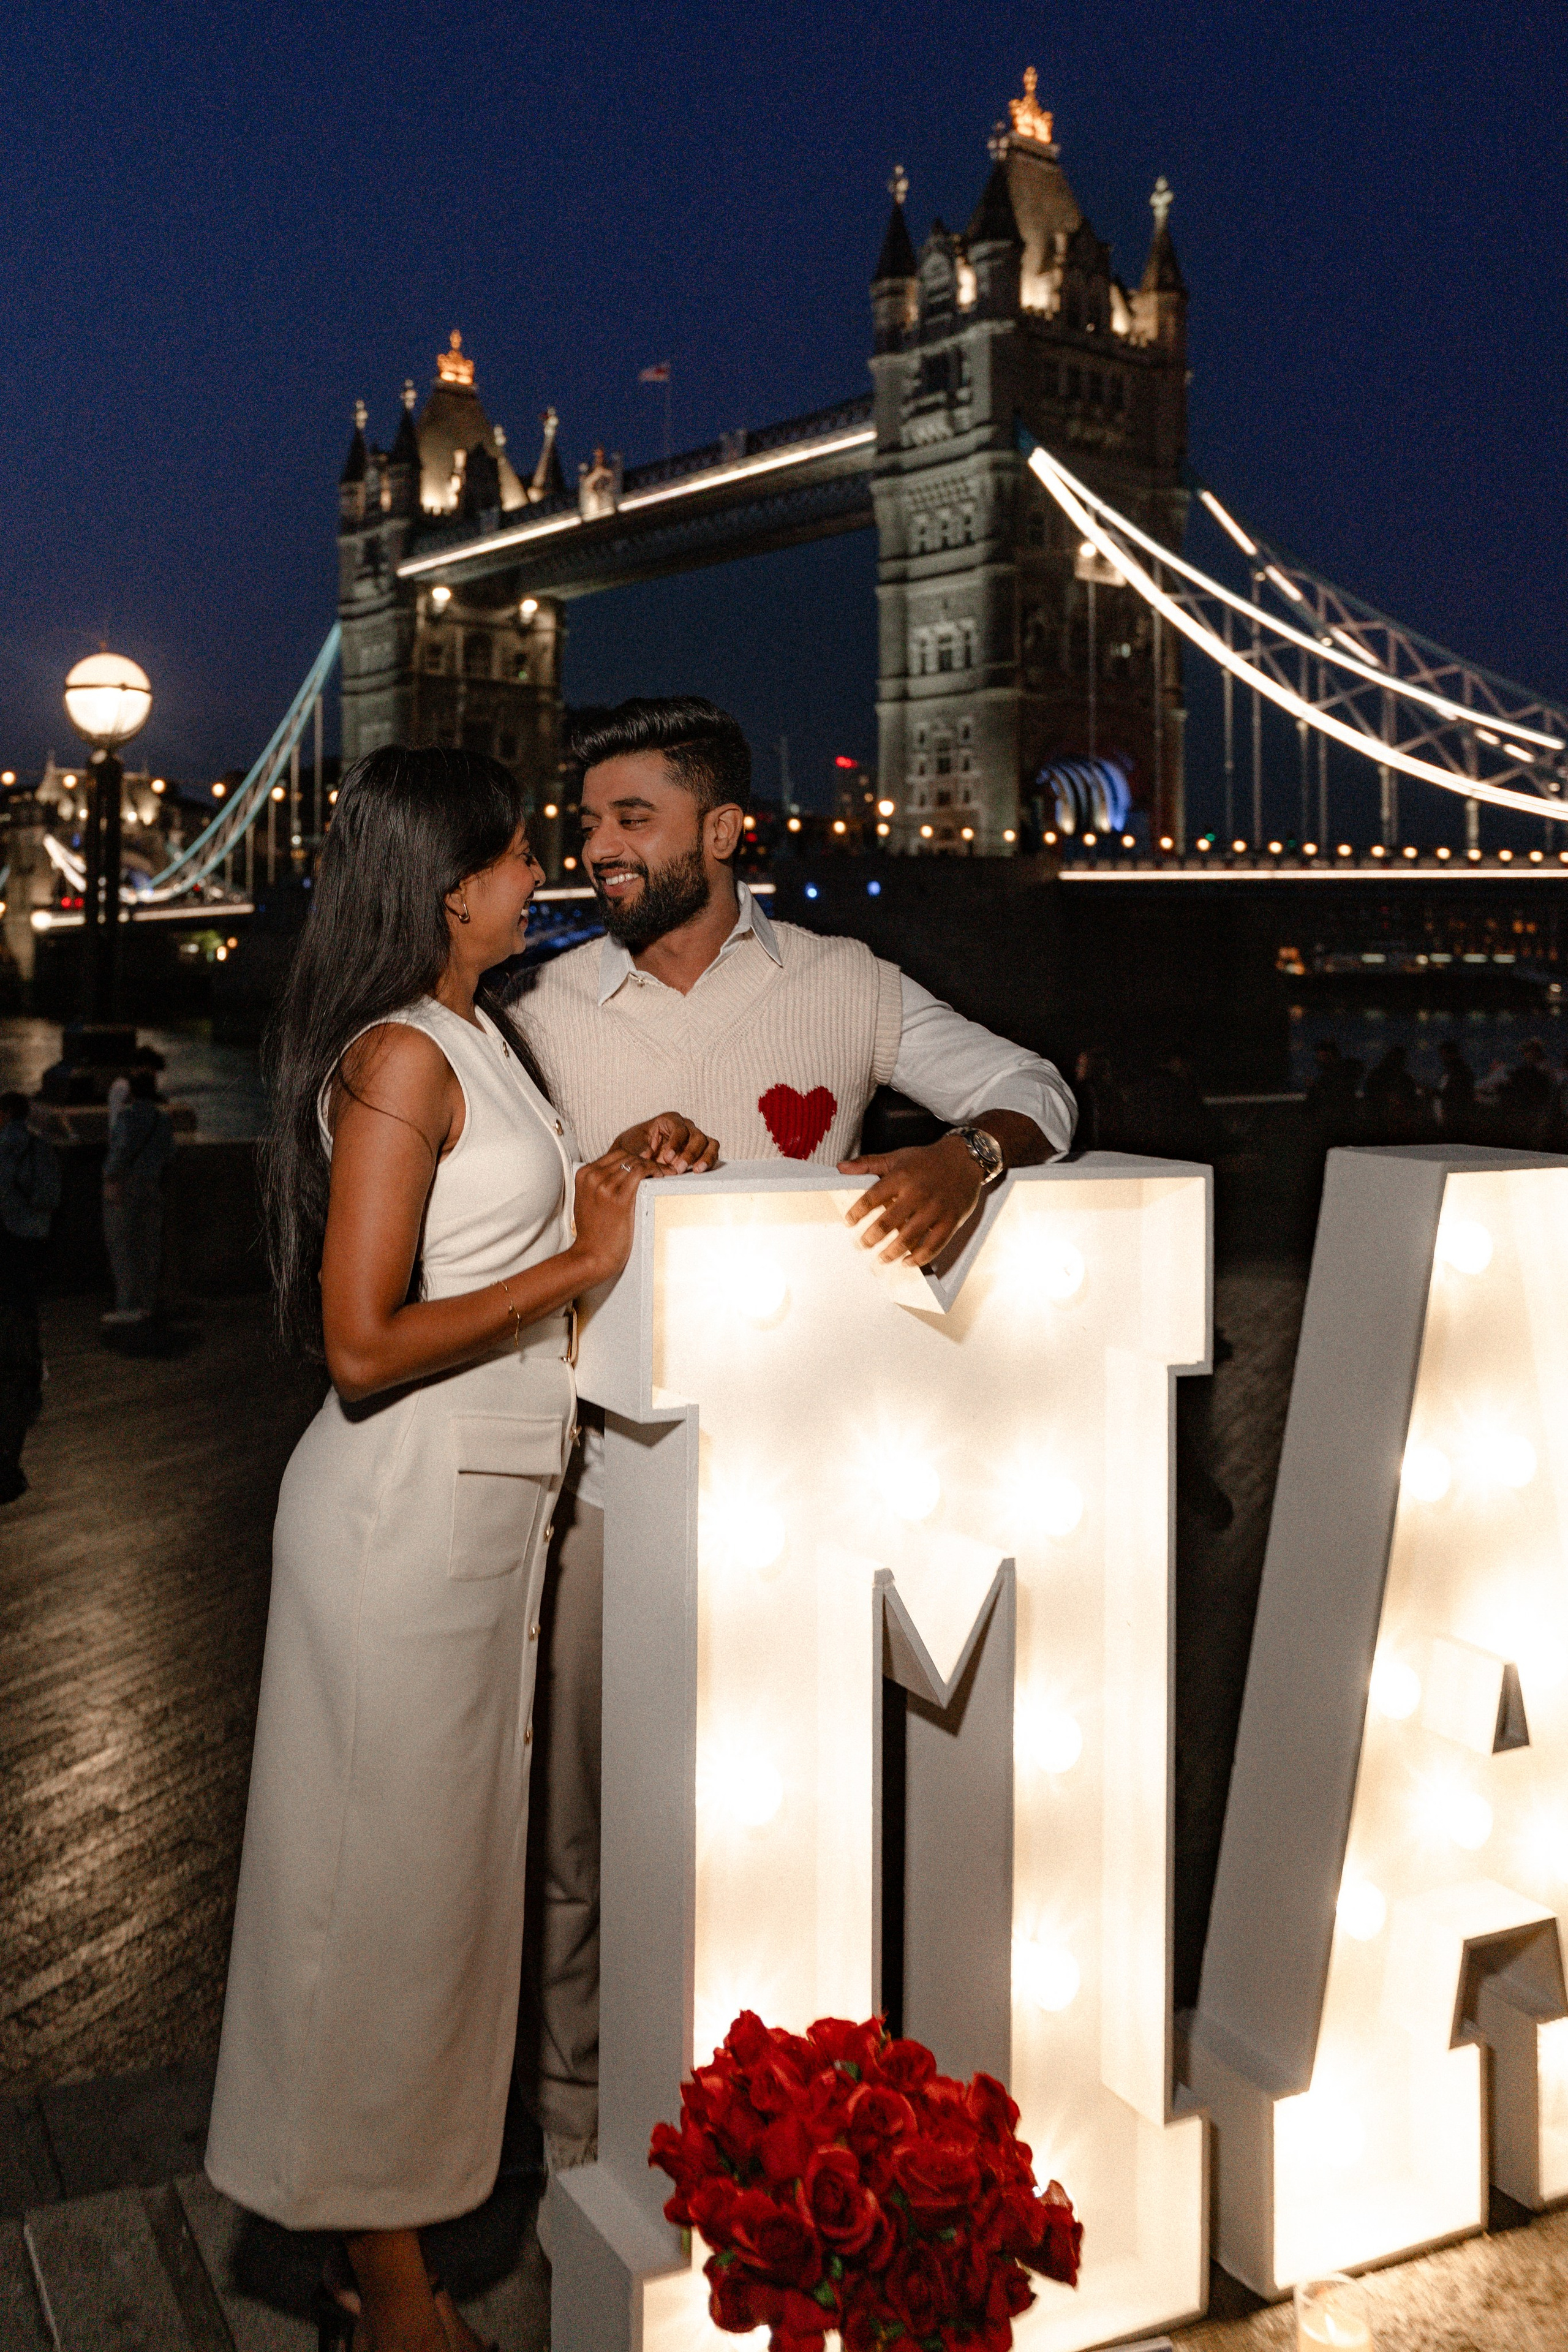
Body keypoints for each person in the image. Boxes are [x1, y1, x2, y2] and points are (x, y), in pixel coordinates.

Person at [507, 695, 1075, 2173]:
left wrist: (966, 1157)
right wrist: (595, 1189)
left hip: (800, 1496)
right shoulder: (539, 1013)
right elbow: (488, 1240)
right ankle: (580, 2147)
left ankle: (761, 2136)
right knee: (574, 1840)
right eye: (586, 825)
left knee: (794, 1833)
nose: (597, 851)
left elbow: (1037, 1090)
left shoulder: (847, 984)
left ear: (724, 830)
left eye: (631, 819)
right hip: (595, 1487)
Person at [204, 747, 716, 2352]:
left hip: (481, 1516)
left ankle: (383, 2233)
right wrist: (581, 1256)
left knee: (441, 1906)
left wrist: (613, 1175)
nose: (540, 874)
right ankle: (394, 2285)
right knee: (386, 1909)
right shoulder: (402, 1058)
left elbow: (497, 1243)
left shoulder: (479, 1041)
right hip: (400, 1518)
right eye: (514, 858)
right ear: (448, 885)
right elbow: (361, 1341)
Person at [0, 1091, 61, 1504]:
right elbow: (51, 1198)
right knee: (23, 1316)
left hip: (2, 1241)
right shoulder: (43, 1148)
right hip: (30, 1242)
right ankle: (31, 1368)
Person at [102, 1066, 174, 1326]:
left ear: (131, 1090)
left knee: (123, 1247)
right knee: (149, 1246)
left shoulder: (127, 1117)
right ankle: (148, 1304)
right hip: (153, 1186)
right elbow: (169, 1154)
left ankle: (127, 1306)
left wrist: (111, 1178)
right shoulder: (162, 1119)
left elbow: (119, 1152)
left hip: (125, 1187)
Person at [1436, 1038, 1476, 1139]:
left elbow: (1453, 1093)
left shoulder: (1459, 1071)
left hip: (1455, 1116)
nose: (1443, 1058)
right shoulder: (1450, 1071)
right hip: (1451, 1115)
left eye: (1445, 1055)